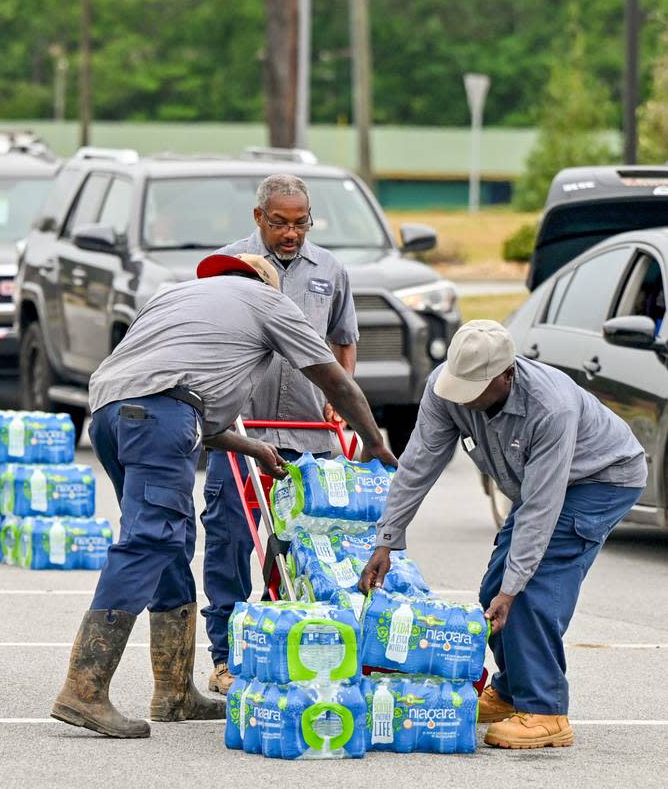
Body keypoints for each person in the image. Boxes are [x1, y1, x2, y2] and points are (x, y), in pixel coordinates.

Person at [51, 253, 398, 739]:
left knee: (166, 542)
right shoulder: (267, 300)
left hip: (110, 415)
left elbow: (190, 416)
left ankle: (172, 693)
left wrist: (253, 446)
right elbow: (333, 378)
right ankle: (84, 689)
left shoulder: (173, 296)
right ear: (267, 284)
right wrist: (374, 438)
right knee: (151, 541)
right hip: (158, 416)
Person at [357, 320, 646, 750]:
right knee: (495, 587)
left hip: (600, 480)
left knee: (531, 588)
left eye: (474, 386)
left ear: (506, 373)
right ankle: (513, 692)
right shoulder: (446, 387)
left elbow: (542, 507)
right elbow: (418, 463)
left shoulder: (551, 406)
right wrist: (386, 539)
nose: (463, 396)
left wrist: (516, 585)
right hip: (537, 489)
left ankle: (546, 710)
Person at [200, 173, 359, 695]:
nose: (291, 234)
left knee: (298, 543)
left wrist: (340, 397)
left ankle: (279, 639)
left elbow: (343, 342)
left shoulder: (329, 270)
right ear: (258, 217)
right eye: (279, 223)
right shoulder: (228, 268)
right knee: (228, 534)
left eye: (301, 223)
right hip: (240, 429)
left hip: (308, 433)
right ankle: (224, 654)